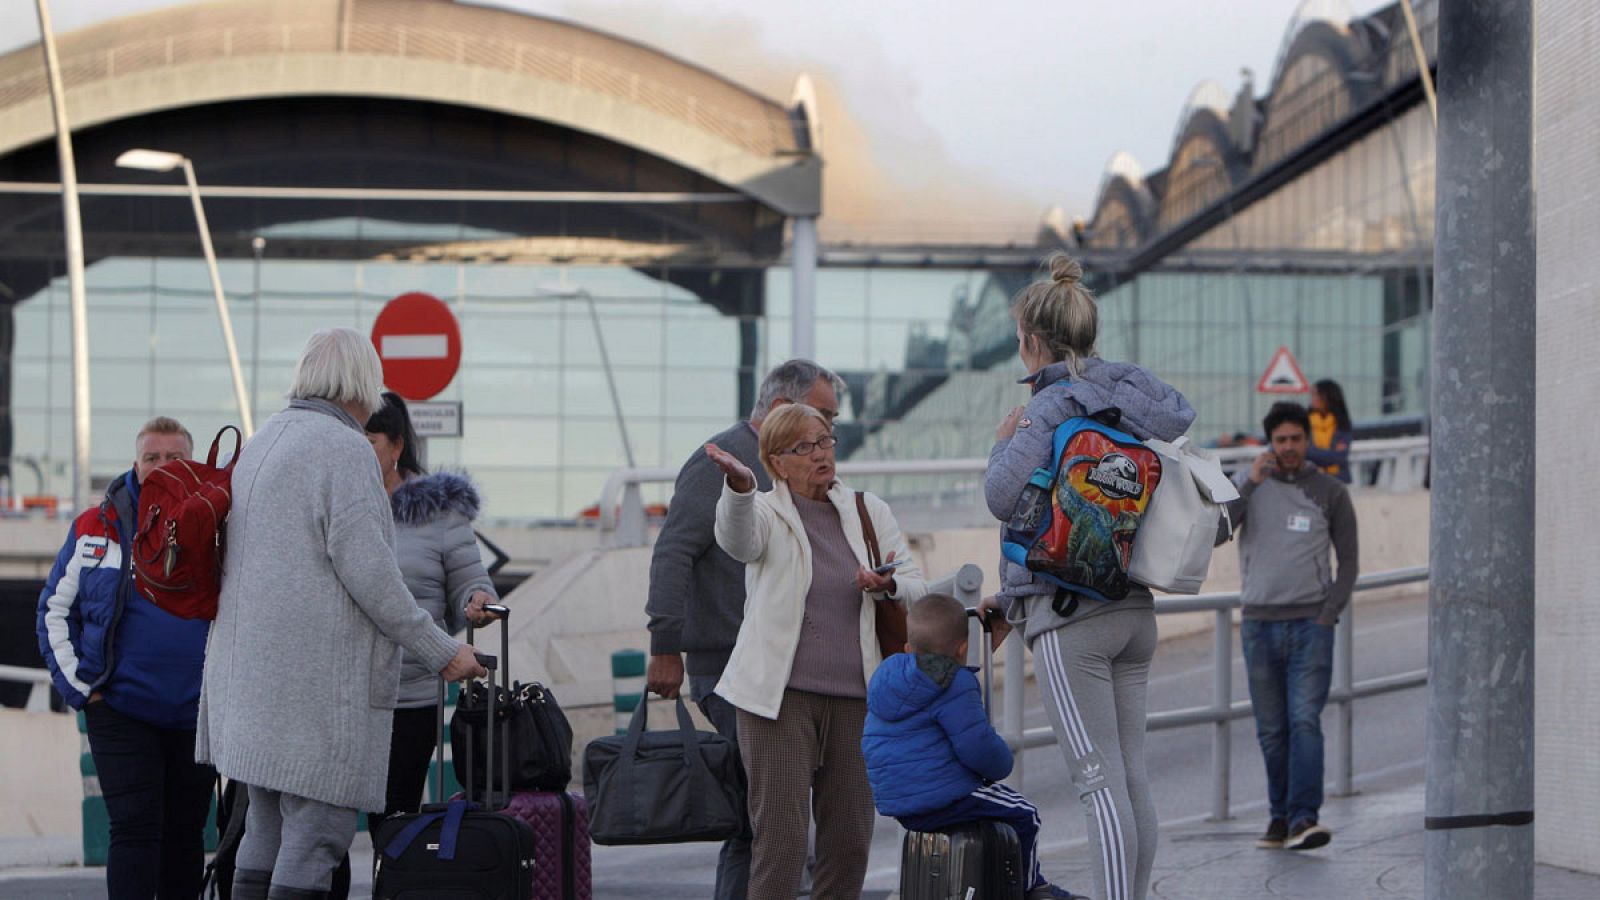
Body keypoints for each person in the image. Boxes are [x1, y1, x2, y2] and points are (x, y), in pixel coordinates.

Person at [196, 328, 485, 900]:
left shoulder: (263, 441)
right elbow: (373, 579)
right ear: (363, 382)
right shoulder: (345, 449)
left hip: (252, 688)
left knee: (265, 827)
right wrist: (445, 652)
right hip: (317, 696)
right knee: (318, 837)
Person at [980, 252, 1194, 900]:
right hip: (1134, 605)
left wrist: (1004, 438)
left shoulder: (1047, 407)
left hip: (1069, 615)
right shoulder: (1136, 398)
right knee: (1130, 777)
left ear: (1034, 341)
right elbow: (1180, 424)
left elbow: (1001, 494)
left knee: (1096, 781)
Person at [706, 402, 927, 900]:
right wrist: (740, 489)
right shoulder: (764, 510)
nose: (820, 454)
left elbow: (915, 584)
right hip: (779, 702)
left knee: (849, 841)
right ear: (777, 460)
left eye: (825, 440)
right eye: (804, 447)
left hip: (858, 700)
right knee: (781, 843)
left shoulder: (869, 510)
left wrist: (887, 587)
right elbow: (737, 541)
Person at [643, 359, 844, 900]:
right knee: (770, 824)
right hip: (733, 670)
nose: (829, 434)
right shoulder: (720, 463)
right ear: (783, 409)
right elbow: (673, 554)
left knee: (758, 822)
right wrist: (665, 646)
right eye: (822, 417)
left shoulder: (800, 473)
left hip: (790, 671)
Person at [36, 417, 214, 900]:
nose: (162, 466)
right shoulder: (96, 528)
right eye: (152, 458)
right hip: (118, 708)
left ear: (192, 464)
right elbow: (54, 610)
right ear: (136, 465)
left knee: (185, 836)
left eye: (174, 458)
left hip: (198, 714)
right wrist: (80, 689)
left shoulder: (221, 527)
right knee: (134, 832)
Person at [862, 593, 1083, 900]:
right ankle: (1032, 888)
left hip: (899, 804)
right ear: (963, 649)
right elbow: (978, 747)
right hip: (942, 797)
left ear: (908, 649)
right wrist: (1003, 763)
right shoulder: (953, 681)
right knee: (1024, 813)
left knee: (993, 817)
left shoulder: (886, 677)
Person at [1217, 401, 1359, 852]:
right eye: (1281, 440)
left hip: (1310, 625)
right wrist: (1248, 484)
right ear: (1269, 442)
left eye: (1297, 439)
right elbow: (1218, 533)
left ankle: (1303, 818)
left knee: (1304, 721)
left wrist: (1328, 612)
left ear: (1307, 440)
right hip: (1259, 624)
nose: (1290, 447)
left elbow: (1350, 560)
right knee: (1271, 729)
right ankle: (1278, 818)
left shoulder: (1331, 491)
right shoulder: (1251, 485)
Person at [365, 391, 497, 829]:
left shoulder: (438, 513)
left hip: (411, 694)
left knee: (395, 817)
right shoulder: (333, 507)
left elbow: (471, 581)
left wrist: (478, 600)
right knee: (325, 828)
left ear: (398, 445)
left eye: (370, 442)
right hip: (338, 694)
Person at [1307, 379, 1353, 483]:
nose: (1313, 399)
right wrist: (1330, 455)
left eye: (1316, 395)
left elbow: (1339, 456)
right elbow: (1304, 452)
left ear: (1328, 397)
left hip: (1339, 481)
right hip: (1311, 480)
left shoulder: (1343, 423)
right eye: (1312, 395)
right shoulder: (1303, 422)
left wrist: (1313, 454)